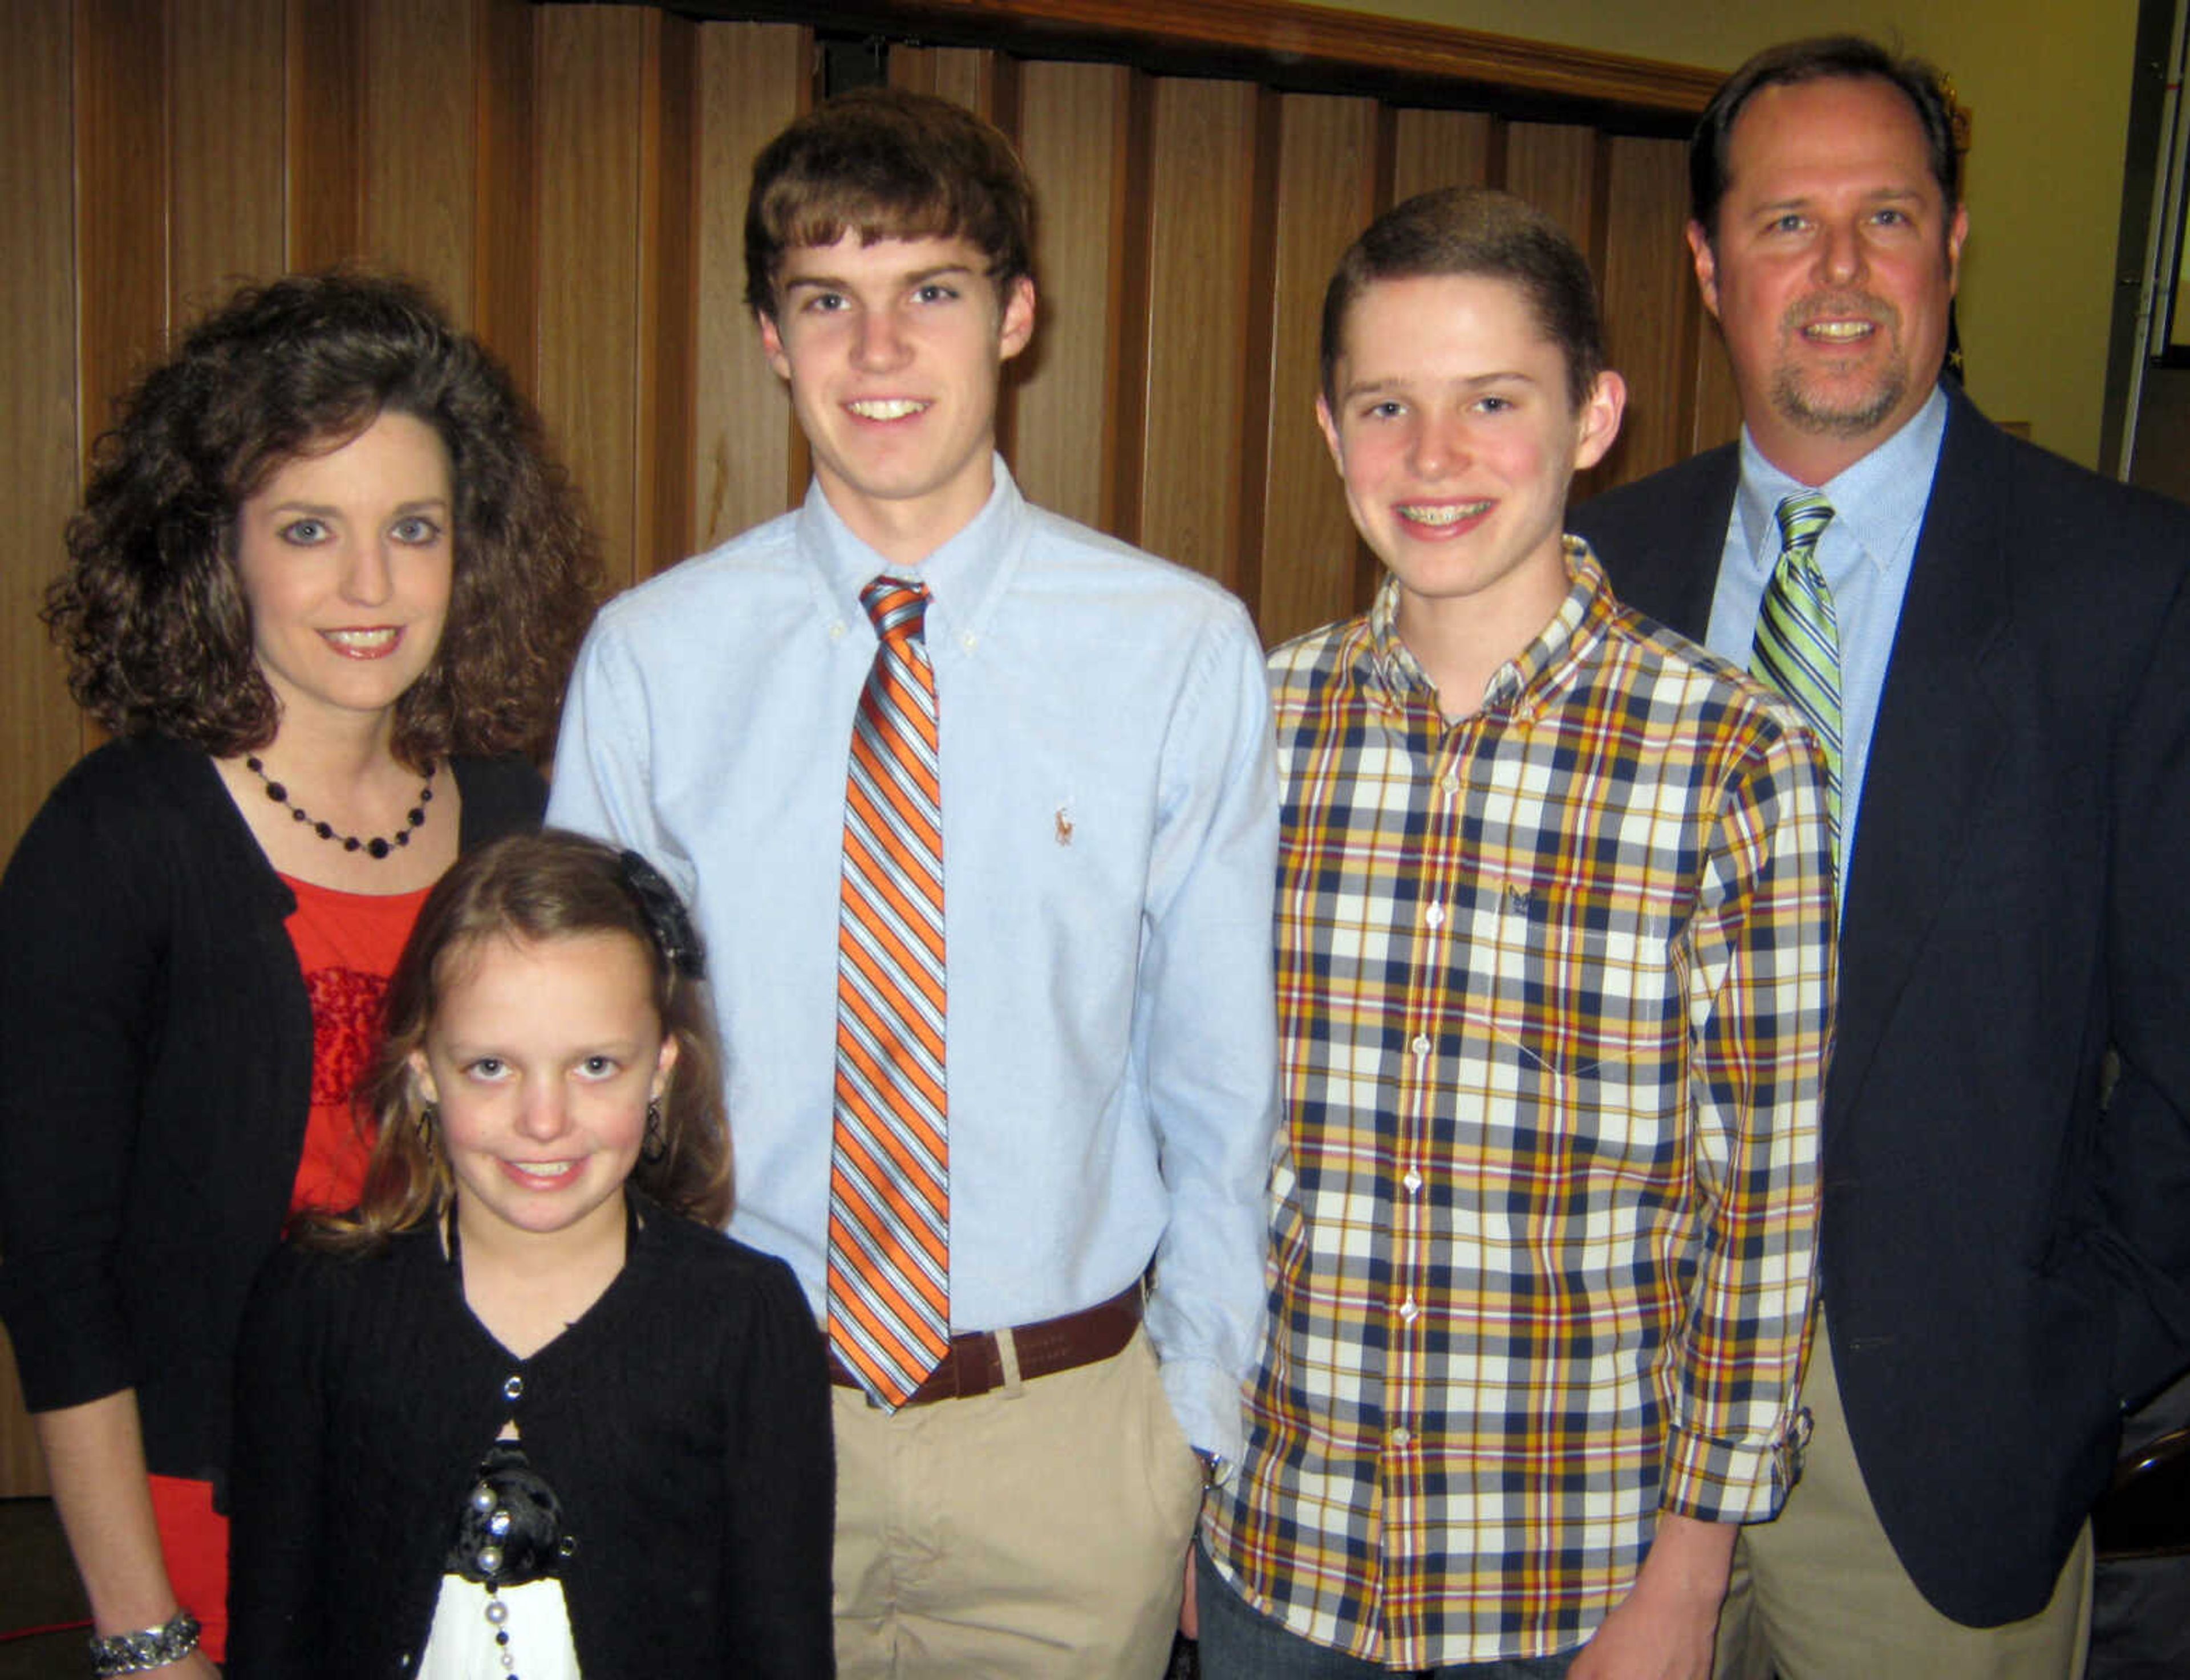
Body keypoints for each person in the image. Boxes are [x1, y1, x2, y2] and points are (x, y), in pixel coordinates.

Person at [548, 85, 1279, 1678]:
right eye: (829, 300)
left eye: (930, 292)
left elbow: (1225, 1085)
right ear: (769, 334)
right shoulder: (655, 662)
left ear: (1016, 316)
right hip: (731, 1413)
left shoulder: (1177, 648)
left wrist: (1189, 1442)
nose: (878, 354)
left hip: (1070, 1450)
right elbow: (580, 1072)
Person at [1568, 36, 2190, 1679]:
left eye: (1888, 219)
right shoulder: (1592, 572)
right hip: (1592, 1424)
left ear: (1953, 245)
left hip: (1937, 1445)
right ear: (1708, 266)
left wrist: (2073, 1358)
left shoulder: (2129, 587)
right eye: (1785, 224)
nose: (1839, 274)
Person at [1196, 185, 1837, 1679]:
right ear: (1327, 427)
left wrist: (1691, 1573)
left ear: (1594, 413)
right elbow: (1201, 1148)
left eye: (1494, 400)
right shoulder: (1249, 728)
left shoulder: (1735, 759)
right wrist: (1190, 1486)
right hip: (1276, 1556)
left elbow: (1759, 1210)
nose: (1433, 459)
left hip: (1569, 1582)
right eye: (1386, 406)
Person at [0, 270, 598, 1673]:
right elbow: (56, 1272)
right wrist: (144, 1631)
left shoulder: (518, 817)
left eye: (415, 529)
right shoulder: (119, 840)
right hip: (209, 1510)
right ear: (218, 552)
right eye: (309, 530)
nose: (371, 588)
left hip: (483, 1500)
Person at [224, 831, 834, 1677]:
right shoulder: (319, 1303)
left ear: (660, 1069)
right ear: (423, 1069)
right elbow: (273, 1627)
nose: (543, 1120)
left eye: (593, 1064)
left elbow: (784, 1644)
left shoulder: (744, 1318)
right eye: (490, 1066)